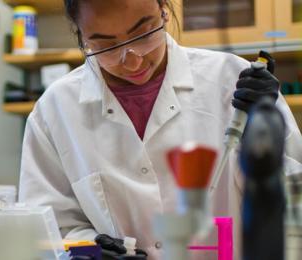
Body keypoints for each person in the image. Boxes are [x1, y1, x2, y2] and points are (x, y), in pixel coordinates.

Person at [18, 0, 302, 259]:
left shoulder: (233, 81)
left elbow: (295, 201)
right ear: (81, 36)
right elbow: (47, 229)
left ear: (164, 10)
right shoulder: (54, 111)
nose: (132, 61)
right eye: (106, 46)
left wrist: (267, 128)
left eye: (143, 34)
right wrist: (90, 250)